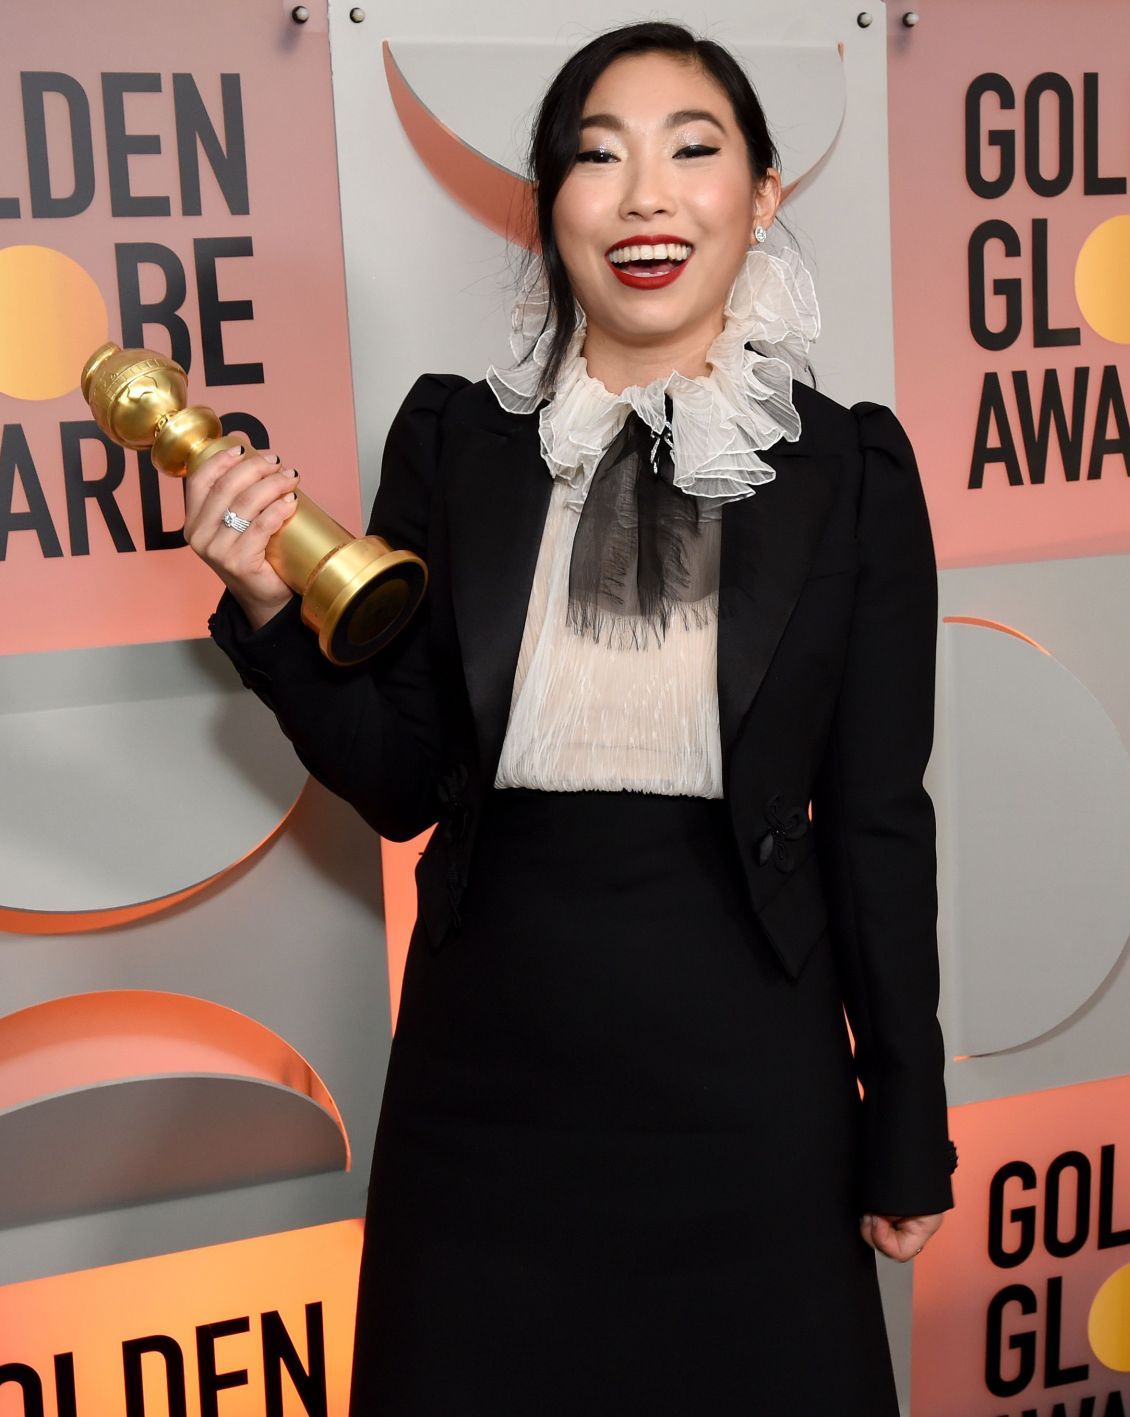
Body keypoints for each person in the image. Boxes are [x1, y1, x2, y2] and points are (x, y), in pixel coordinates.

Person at [194, 20, 956, 1416]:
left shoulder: (849, 469)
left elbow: (875, 824)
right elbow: (405, 776)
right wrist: (265, 611)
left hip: (750, 1090)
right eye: (596, 158)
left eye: (693, 150)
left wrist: (908, 1119)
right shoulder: (457, 443)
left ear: (764, 195)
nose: (645, 196)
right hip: (489, 1090)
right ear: (550, 207)